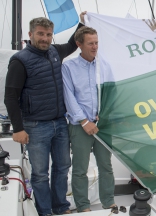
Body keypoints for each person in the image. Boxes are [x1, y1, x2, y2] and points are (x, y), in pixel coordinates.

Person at [4, 15, 84, 216]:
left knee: (63, 167)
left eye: (48, 35)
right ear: (30, 34)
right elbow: (10, 97)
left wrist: (82, 23)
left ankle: (60, 207)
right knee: (40, 174)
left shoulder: (55, 52)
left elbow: (71, 45)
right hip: (35, 126)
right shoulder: (20, 61)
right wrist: (18, 128)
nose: (45, 39)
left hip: (59, 122)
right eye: (40, 34)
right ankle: (45, 212)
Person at [62, 25, 116, 212]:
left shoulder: (105, 66)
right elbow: (69, 96)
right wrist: (84, 121)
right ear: (79, 44)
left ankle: (109, 202)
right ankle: (83, 206)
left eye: (97, 43)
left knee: (106, 166)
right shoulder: (68, 67)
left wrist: (106, 114)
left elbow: (111, 92)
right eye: (90, 43)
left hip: (102, 125)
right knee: (79, 169)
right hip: (80, 126)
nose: (95, 47)